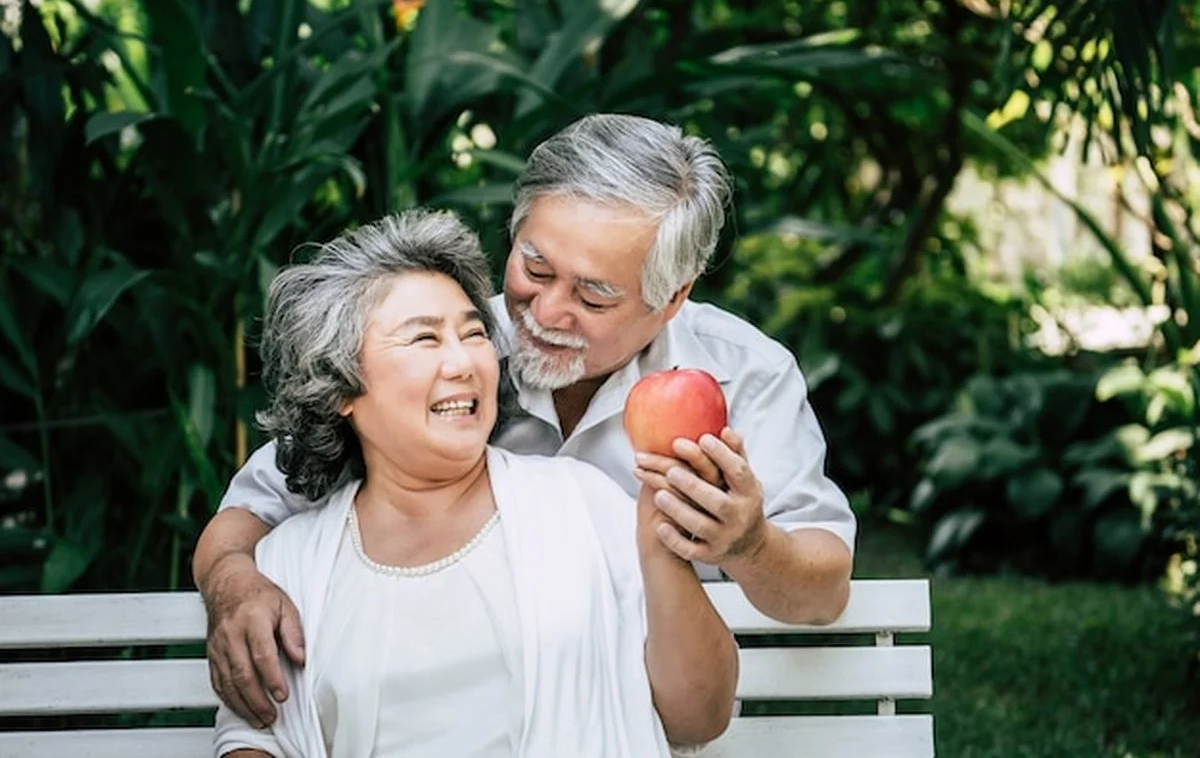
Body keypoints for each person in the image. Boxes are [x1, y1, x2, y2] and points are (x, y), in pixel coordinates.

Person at [194, 113, 856, 729]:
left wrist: (748, 545)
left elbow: (822, 588)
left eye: (594, 293)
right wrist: (232, 581)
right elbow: (252, 510)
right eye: (534, 266)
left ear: (673, 298)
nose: (545, 310)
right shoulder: (453, 357)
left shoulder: (744, 374)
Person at [213, 210, 738, 757]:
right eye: (424, 339)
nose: (464, 362)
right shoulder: (290, 564)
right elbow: (253, 740)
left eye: (472, 334)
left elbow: (701, 717)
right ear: (342, 384)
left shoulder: (583, 503)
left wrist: (660, 548)